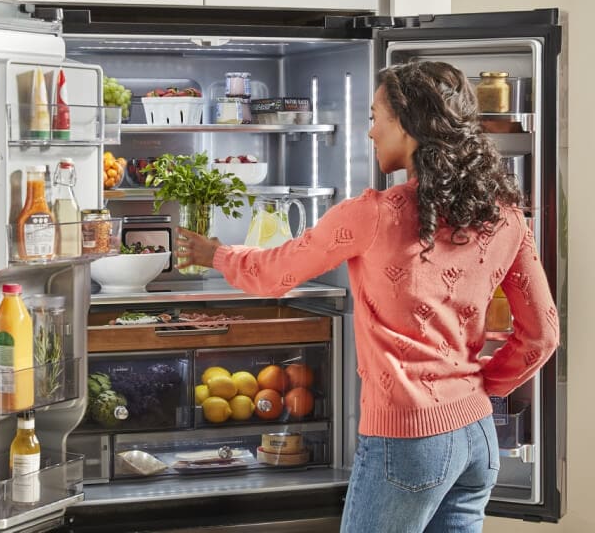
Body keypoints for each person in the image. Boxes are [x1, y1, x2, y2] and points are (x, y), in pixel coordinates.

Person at [175, 60, 559, 533]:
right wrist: (479, 389)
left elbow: (275, 274)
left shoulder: (373, 214)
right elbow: (541, 336)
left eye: (376, 116)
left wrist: (216, 254)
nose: (371, 131)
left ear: (408, 122)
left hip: (409, 438)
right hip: (477, 435)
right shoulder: (505, 214)